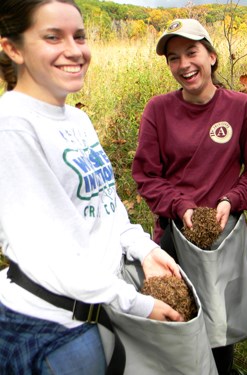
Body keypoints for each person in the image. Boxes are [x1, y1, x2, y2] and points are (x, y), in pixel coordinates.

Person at [0, 1, 184, 373]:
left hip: (99, 306)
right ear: (13, 49)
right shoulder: (14, 126)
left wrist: (143, 248)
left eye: (79, 36)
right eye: (53, 37)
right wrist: (136, 304)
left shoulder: (76, 118)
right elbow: (52, 249)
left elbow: (105, 204)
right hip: (52, 326)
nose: (74, 50)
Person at [131, 19, 247, 375]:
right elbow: (146, 175)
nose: (184, 64)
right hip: (173, 237)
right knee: (174, 329)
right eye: (173, 58)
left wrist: (230, 201)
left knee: (218, 333)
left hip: (222, 241)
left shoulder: (241, 108)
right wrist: (180, 207)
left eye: (191, 52)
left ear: (211, 55)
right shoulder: (158, 110)